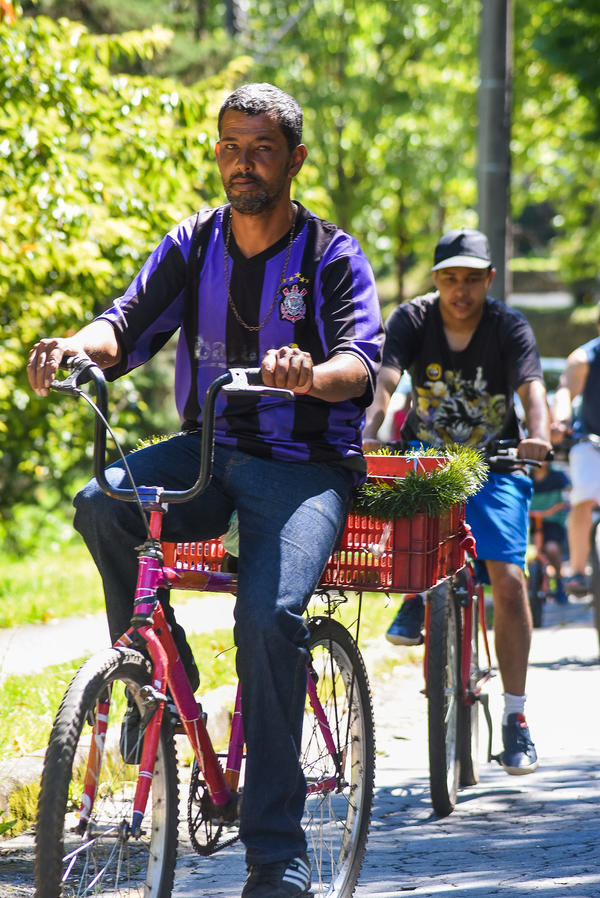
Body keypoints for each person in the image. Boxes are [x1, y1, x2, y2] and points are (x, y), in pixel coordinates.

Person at [27, 82, 384, 898]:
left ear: (294, 159)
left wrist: (311, 373)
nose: (242, 163)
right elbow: (124, 323)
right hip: (210, 450)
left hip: (305, 468)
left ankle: (277, 857)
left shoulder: (331, 254)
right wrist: (76, 346)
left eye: (261, 148)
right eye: (230, 146)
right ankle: (155, 680)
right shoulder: (195, 242)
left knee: (266, 619)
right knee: (101, 503)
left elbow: (361, 363)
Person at [362, 227, 552, 776]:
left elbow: (532, 389)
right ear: (436, 280)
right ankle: (420, 596)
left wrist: (539, 433)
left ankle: (516, 718)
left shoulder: (508, 327)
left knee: (509, 578)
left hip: (496, 462)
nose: (461, 291)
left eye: (472, 280)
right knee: (413, 528)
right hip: (431, 461)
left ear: (489, 280)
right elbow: (385, 380)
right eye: (450, 279)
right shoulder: (412, 319)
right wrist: (371, 425)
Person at [551, 302, 600, 597]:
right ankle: (579, 571)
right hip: (590, 441)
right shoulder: (584, 358)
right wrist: (559, 421)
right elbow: (565, 391)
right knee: (584, 493)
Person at [529, 460, 570, 604]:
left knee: (551, 549)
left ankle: (559, 582)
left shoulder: (558, 476)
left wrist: (564, 504)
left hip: (553, 521)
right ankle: (529, 589)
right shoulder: (527, 475)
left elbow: (568, 493)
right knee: (529, 553)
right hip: (531, 521)